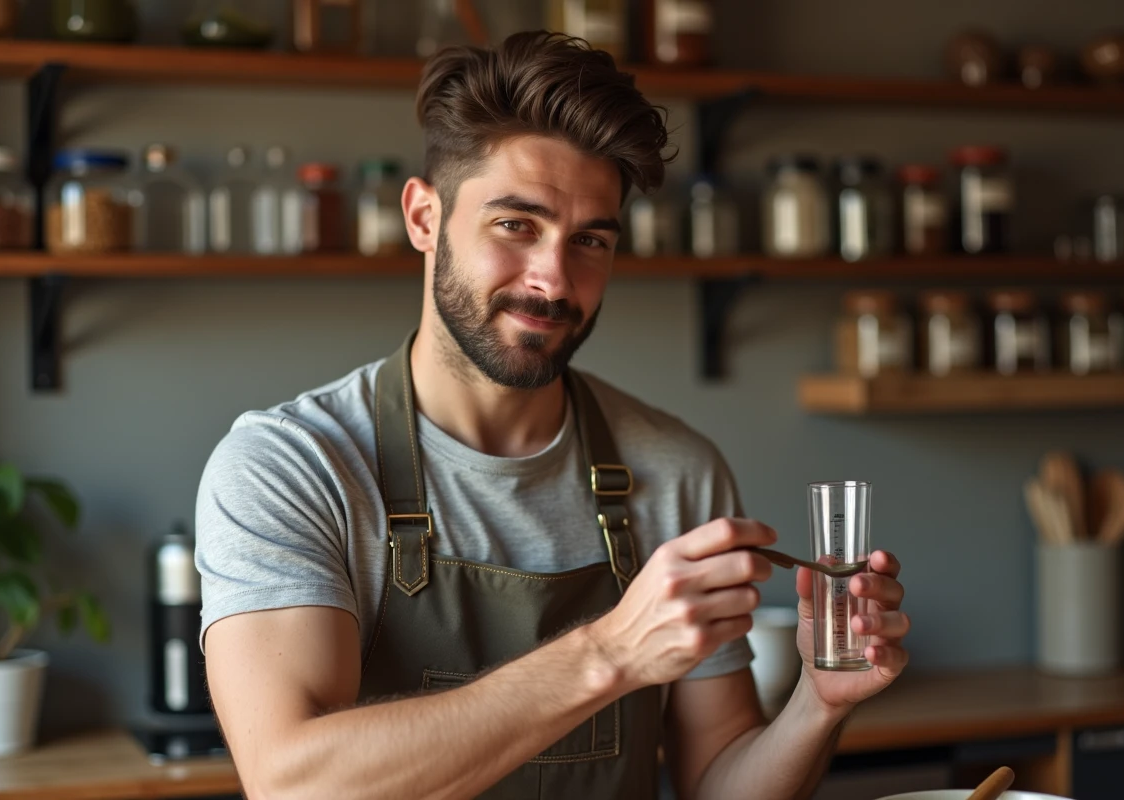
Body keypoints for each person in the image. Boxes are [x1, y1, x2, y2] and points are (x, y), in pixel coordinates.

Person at [196, 30, 910, 800]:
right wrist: (610, 654)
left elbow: (718, 784)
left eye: (591, 241)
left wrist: (816, 705)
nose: (553, 278)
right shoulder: (292, 467)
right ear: (424, 218)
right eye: (517, 225)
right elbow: (295, 785)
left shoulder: (676, 472)